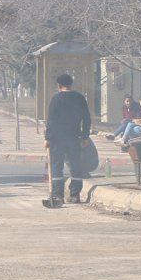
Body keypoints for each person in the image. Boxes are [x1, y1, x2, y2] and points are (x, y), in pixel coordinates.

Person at [44, 73, 92, 206]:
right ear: (71, 84)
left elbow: (51, 120)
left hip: (57, 139)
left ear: (59, 85)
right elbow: (87, 118)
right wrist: (85, 136)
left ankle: (58, 195)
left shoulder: (56, 99)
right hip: (74, 137)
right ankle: (75, 194)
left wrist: (47, 137)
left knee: (56, 167)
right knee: (76, 165)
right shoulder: (79, 98)